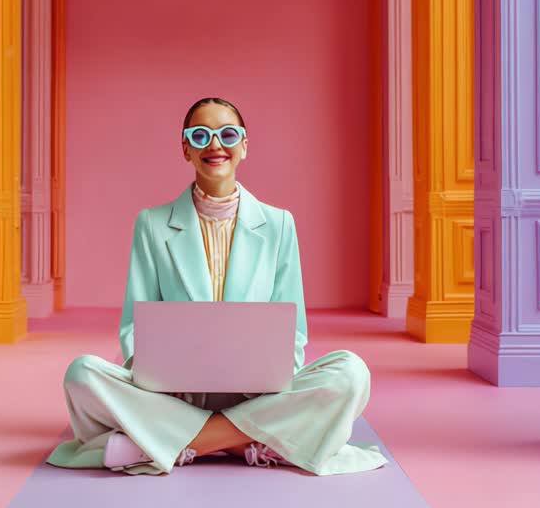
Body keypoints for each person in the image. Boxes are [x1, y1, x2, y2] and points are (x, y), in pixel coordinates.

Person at [45, 97, 387, 476]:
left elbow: (293, 329)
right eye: (200, 135)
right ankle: (252, 443)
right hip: (174, 392)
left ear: (244, 146)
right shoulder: (152, 224)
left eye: (227, 133)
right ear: (185, 148)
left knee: (350, 372)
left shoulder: (279, 224)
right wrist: (157, 378)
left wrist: (271, 380)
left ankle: (179, 443)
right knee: (81, 374)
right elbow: (134, 325)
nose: (214, 144)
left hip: (258, 392)